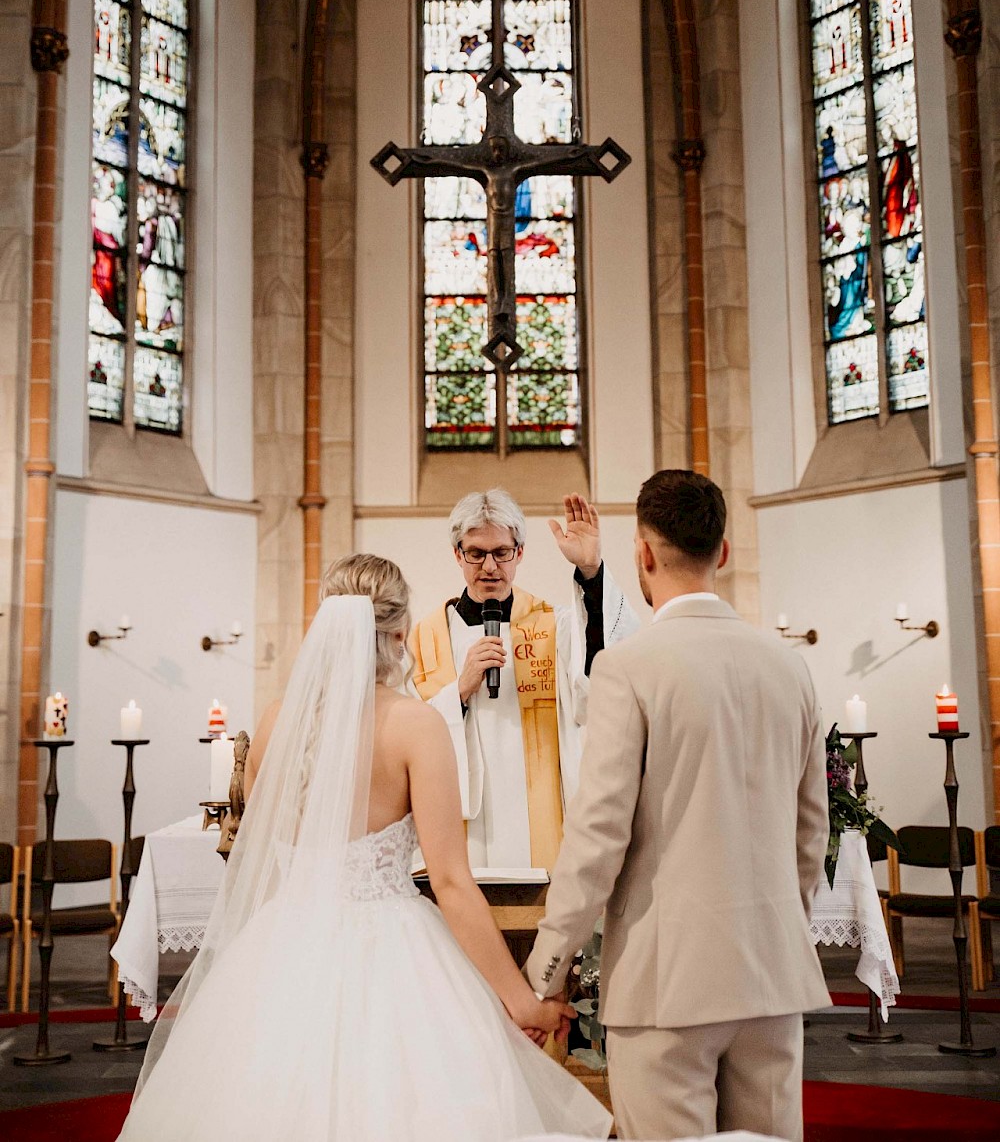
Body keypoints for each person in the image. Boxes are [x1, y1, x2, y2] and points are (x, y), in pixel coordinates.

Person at [117, 554, 610, 1142]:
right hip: (391, 946)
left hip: (283, 944)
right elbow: (451, 884)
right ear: (399, 634)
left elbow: (259, 846)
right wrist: (521, 1003)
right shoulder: (415, 725)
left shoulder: (278, 721)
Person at [526, 470, 830, 1141]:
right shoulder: (790, 669)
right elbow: (813, 837)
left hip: (667, 982)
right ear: (723, 552)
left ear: (641, 552)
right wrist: (779, 931)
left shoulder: (630, 668)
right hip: (772, 978)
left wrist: (547, 968)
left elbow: (598, 836)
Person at [409, 490, 639, 871]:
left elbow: (603, 679)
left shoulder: (553, 626)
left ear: (520, 553)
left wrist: (592, 572)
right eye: (476, 553)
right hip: (462, 820)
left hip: (542, 812)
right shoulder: (424, 639)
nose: (489, 567)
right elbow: (407, 739)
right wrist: (460, 692)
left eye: (502, 552)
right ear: (457, 555)